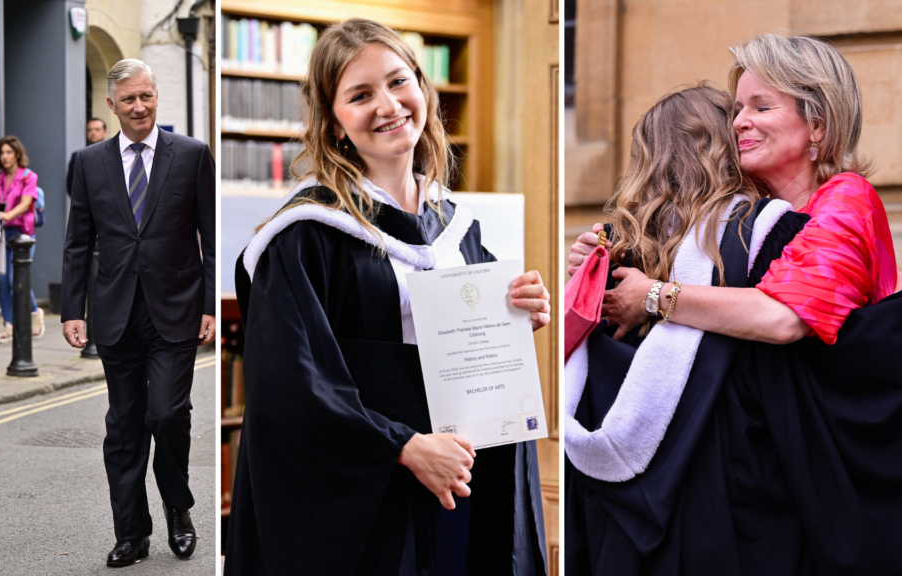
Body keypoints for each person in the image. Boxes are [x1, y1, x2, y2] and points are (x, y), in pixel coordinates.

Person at [225, 18, 551, 576]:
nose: (388, 104)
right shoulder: (307, 234)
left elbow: (480, 347)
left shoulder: (456, 225)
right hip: (372, 492)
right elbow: (290, 386)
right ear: (334, 124)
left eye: (399, 82)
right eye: (360, 95)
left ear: (423, 89)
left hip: (463, 472)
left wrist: (519, 313)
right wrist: (401, 447)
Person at [567, 34, 902, 575]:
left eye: (761, 106)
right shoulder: (759, 213)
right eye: (738, 108)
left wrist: (653, 297)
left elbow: (782, 317)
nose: (739, 121)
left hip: (836, 481)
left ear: (818, 125)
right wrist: (599, 259)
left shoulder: (844, 200)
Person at [61, 59, 215, 568]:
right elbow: (78, 242)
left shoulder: (192, 155)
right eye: (128, 99)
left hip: (177, 310)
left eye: (146, 96)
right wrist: (71, 310)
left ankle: (178, 507)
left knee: (167, 414)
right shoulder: (87, 162)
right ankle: (131, 532)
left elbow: (211, 240)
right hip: (115, 314)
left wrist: (210, 305)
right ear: (111, 105)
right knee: (124, 427)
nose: (140, 106)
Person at [0, 135, 43, 340]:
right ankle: (9, 324)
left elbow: (26, 203)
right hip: (3, 234)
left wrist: (7, 215)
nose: (4, 157)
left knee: (17, 278)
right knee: (3, 280)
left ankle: (34, 313)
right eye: (1, 153)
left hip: (23, 234)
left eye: (8, 152)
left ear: (17, 154)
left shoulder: (28, 176)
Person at [67, 117, 109, 196]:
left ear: (105, 132)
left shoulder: (115, 154)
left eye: (97, 129)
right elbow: (71, 187)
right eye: (89, 130)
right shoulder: (78, 156)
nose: (93, 132)